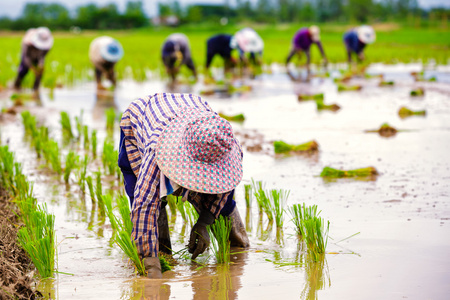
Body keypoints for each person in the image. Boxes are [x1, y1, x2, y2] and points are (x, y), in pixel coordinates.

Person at [118, 93, 250, 279]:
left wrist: (205, 222)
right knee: (148, 197)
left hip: (192, 110)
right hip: (140, 120)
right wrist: (150, 266)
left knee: (221, 202)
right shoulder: (156, 150)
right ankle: (161, 253)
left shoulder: (224, 143)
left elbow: (225, 187)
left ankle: (237, 245)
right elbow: (144, 205)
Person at [14, 27, 53, 93]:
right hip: (28, 56)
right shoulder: (27, 42)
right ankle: (16, 86)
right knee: (23, 70)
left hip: (38, 57)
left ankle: (35, 90)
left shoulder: (47, 45)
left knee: (40, 72)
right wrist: (32, 68)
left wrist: (40, 64)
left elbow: (43, 56)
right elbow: (26, 57)